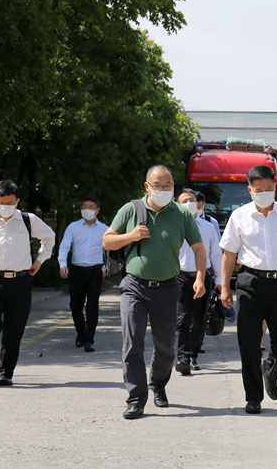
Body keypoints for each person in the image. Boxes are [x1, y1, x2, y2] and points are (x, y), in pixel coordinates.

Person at [103, 165, 207, 420]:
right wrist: (131, 236)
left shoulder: (182, 214)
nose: (163, 189)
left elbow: (199, 248)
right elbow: (107, 240)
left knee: (166, 347)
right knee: (132, 343)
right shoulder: (131, 209)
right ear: (147, 187)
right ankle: (136, 399)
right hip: (134, 287)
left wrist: (200, 278)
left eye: (168, 185)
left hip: (168, 288)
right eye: (158, 185)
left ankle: (158, 385)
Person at [219, 165, 277, 415]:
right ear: (250, 190)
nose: (265, 193)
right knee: (249, 343)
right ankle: (253, 396)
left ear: (275, 187)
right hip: (250, 283)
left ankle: (271, 368)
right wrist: (225, 287)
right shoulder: (240, 216)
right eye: (259, 190)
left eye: (269, 188)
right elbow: (229, 254)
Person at [0, 179, 55, 386]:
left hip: (20, 282)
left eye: (10, 202)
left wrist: (39, 261)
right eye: (1, 202)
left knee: (14, 329)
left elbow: (49, 237)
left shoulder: (28, 220)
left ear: (17, 201)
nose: (5, 206)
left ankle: (5, 372)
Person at [174, 188, 222, 374]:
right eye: (184, 201)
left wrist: (219, 279)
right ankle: (183, 358)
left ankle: (193, 354)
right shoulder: (173, 226)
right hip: (179, 278)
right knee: (182, 319)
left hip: (203, 278)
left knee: (198, 320)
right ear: (177, 205)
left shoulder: (208, 227)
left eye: (192, 200)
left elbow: (215, 254)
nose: (189, 203)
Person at [58, 195, 109, 352]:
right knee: (75, 306)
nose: (87, 210)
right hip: (77, 271)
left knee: (92, 306)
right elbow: (64, 247)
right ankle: (81, 333)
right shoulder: (73, 227)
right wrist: (62, 264)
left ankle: (88, 340)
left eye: (91, 207)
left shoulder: (105, 230)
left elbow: (110, 251)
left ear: (97, 210)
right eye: (84, 207)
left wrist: (106, 267)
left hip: (95, 271)